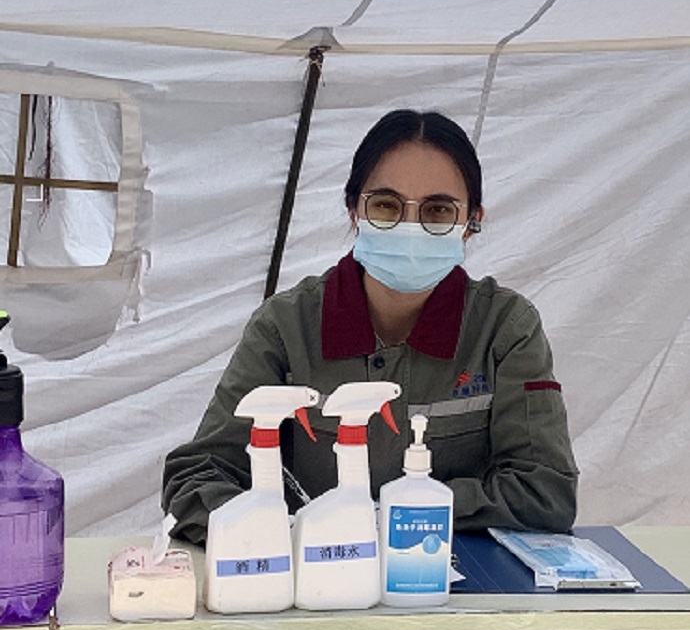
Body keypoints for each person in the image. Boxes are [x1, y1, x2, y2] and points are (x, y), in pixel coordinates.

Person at [162, 109, 578, 545]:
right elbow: (197, 477)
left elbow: (545, 491)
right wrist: (289, 534)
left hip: (451, 579)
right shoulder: (285, 327)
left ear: (471, 223)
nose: (410, 227)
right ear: (353, 211)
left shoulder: (505, 329)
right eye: (386, 206)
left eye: (438, 210)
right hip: (312, 574)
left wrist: (392, 515)